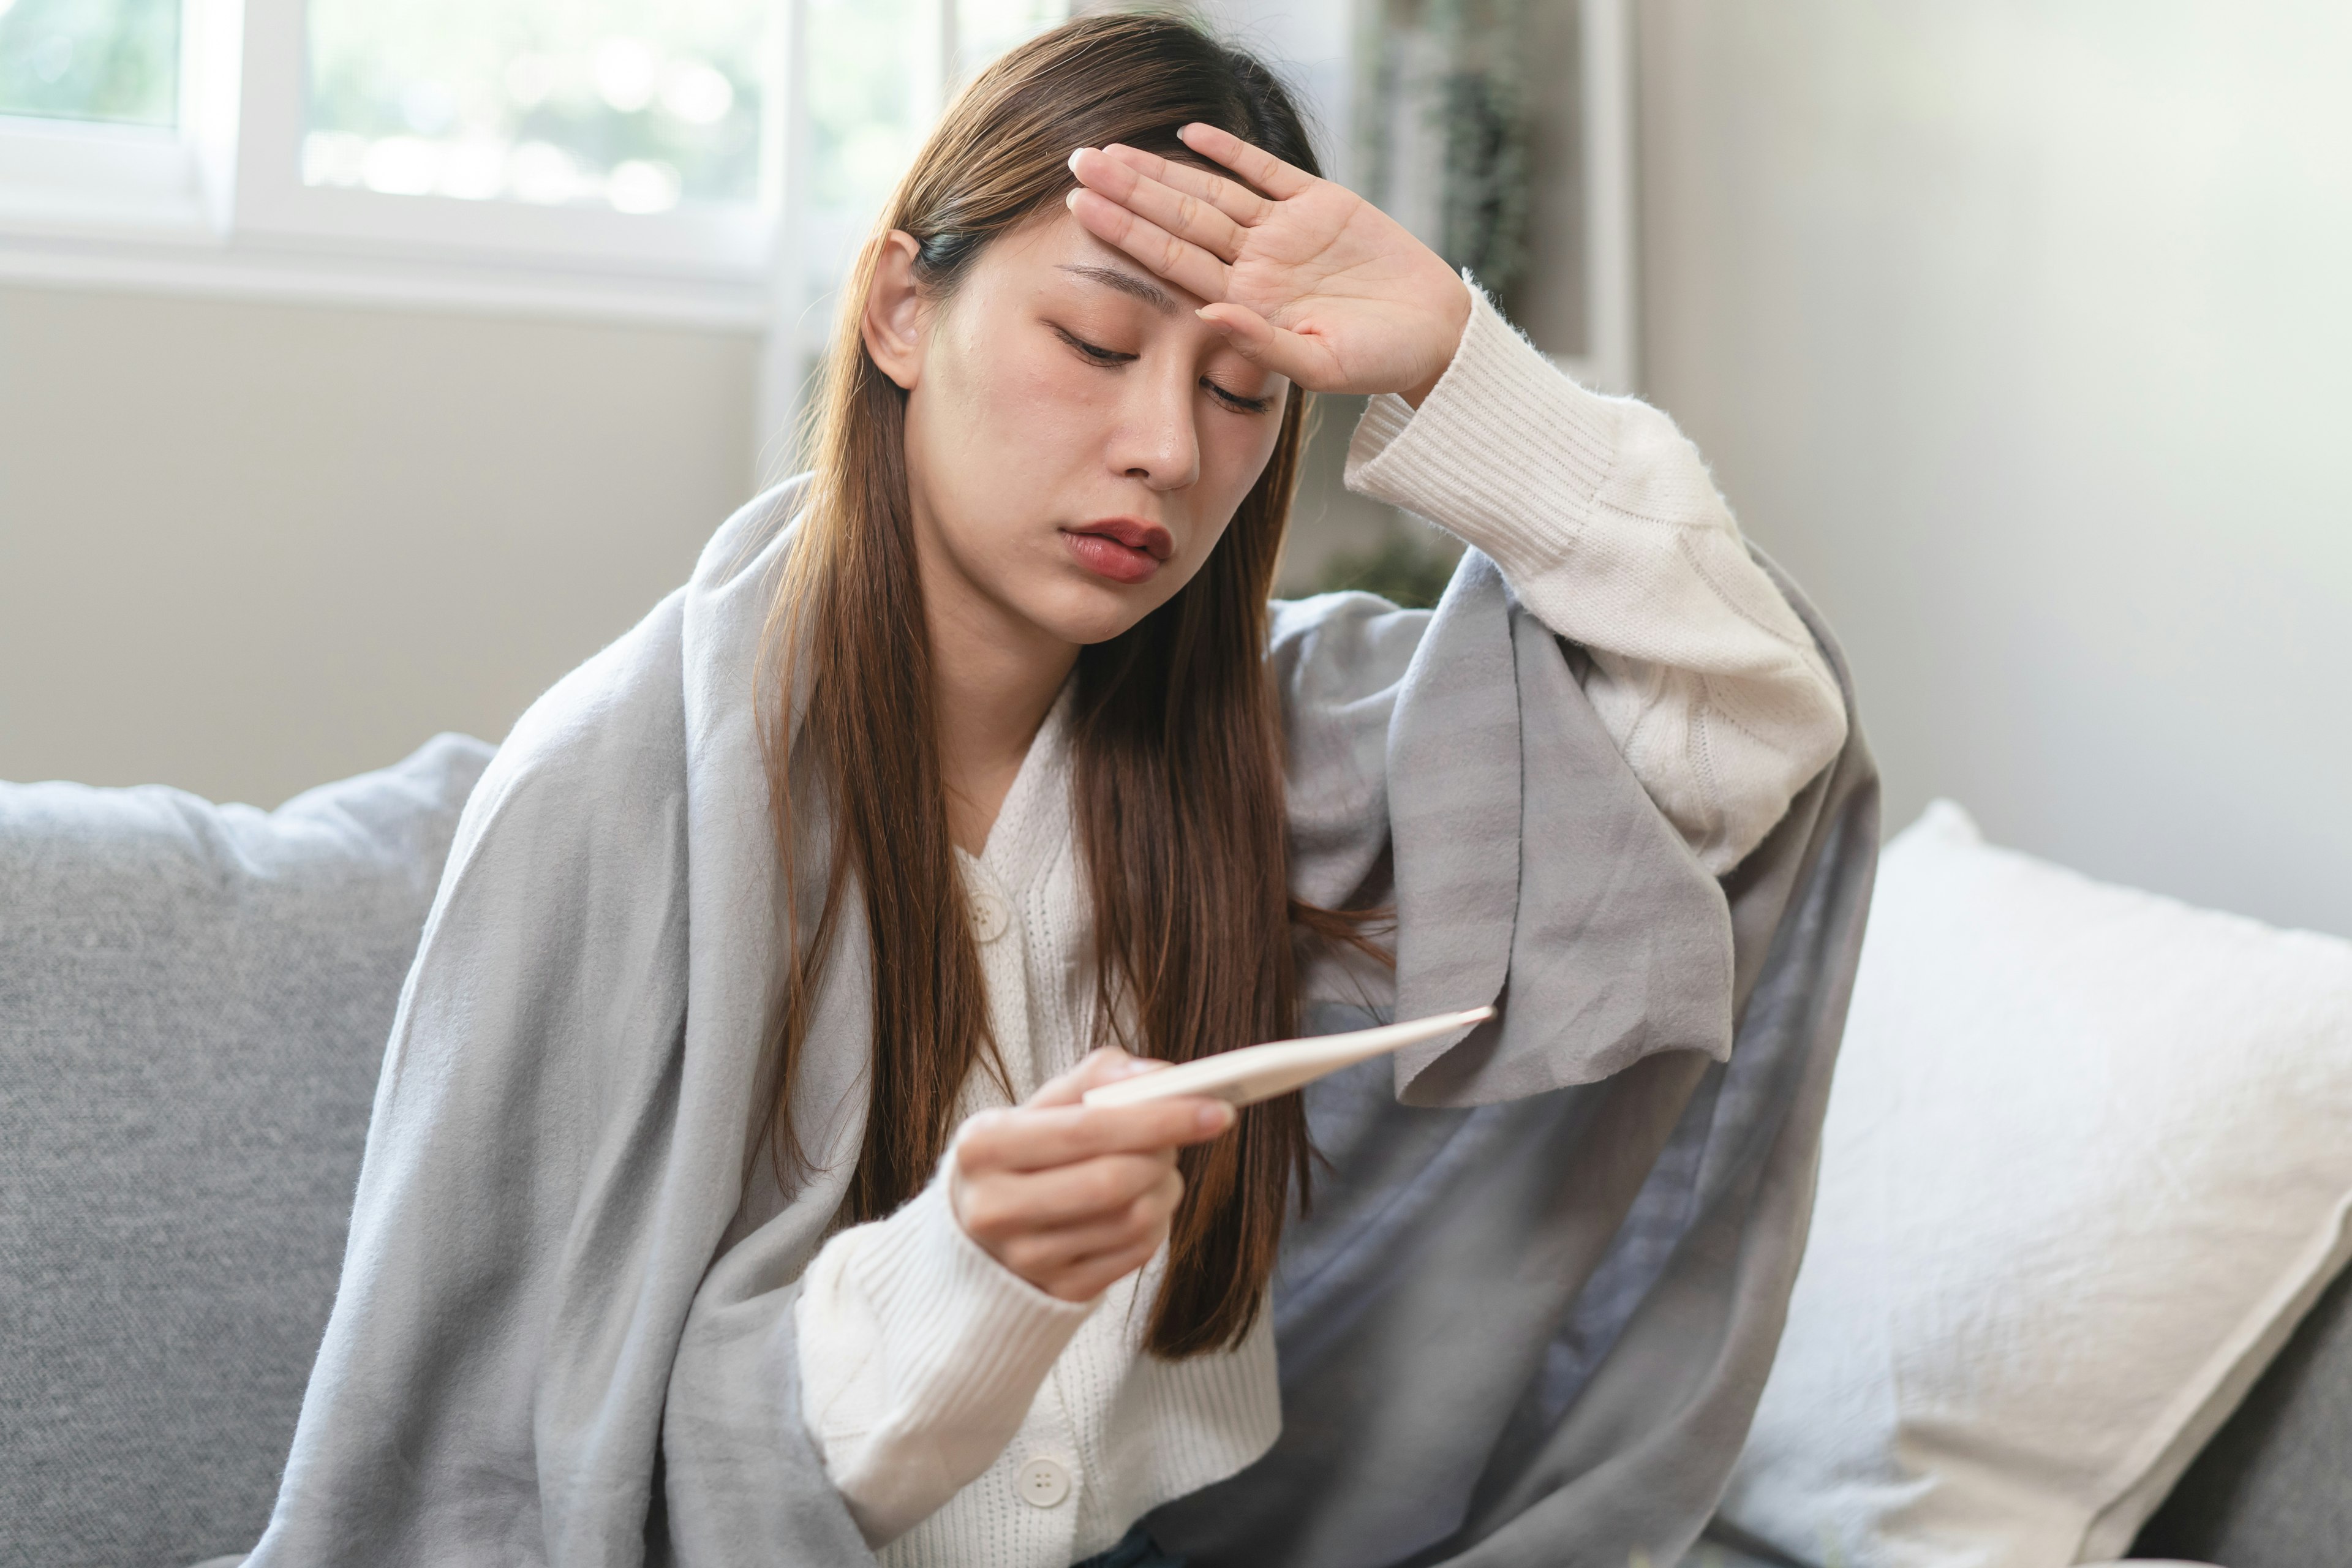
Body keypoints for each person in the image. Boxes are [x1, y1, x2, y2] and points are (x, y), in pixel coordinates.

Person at [236, 14, 1875, 1568]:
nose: (1168, 445)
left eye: (1245, 394)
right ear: (899, 310)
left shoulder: (1287, 740)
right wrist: (968, 1281)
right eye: (1095, 343)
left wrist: (1457, 359)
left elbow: (1746, 735)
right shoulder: (613, 799)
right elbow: (500, 1471)